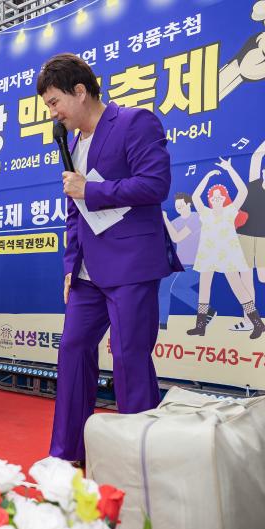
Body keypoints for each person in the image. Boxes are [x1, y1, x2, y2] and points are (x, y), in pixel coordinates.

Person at [37, 53, 182, 462]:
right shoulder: (71, 140)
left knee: (129, 356)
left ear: (80, 92)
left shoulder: (135, 122)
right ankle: (67, 452)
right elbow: (73, 207)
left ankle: (141, 457)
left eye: (54, 102)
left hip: (132, 263)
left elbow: (155, 184)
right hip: (87, 271)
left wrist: (92, 191)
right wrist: (70, 264)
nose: (53, 113)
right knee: (73, 348)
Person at [189, 158, 265, 339]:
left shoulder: (230, 210)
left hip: (227, 254)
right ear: (209, 199)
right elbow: (194, 197)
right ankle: (200, 326)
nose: (216, 199)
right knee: (204, 287)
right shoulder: (204, 212)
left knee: (237, 286)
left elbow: (243, 191)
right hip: (207, 254)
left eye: (220, 196)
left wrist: (230, 169)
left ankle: (257, 323)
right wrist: (207, 177)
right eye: (213, 197)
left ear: (224, 199)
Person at [230, 138, 265, 331]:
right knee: (245, 278)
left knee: (262, 276)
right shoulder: (253, 184)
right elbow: (256, 158)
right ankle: (249, 320)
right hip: (243, 235)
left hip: (263, 239)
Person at [159, 193, 206, 329]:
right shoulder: (177, 221)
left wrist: (166, 219)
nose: (179, 208)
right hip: (180, 264)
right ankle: (162, 323)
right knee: (163, 288)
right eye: (177, 206)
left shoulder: (196, 218)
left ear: (189, 204)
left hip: (195, 264)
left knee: (178, 287)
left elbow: (177, 237)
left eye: (181, 205)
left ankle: (206, 310)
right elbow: (166, 234)